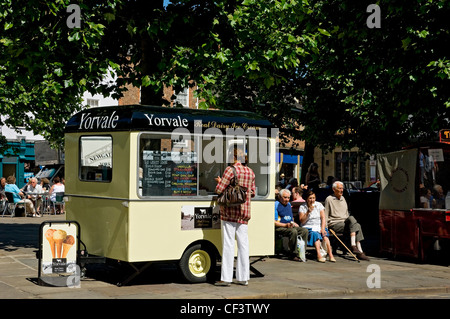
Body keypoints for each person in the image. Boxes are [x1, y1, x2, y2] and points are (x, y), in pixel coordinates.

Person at [214, 148, 255, 287]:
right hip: (244, 213)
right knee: (244, 245)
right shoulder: (250, 172)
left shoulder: (230, 170)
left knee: (228, 244)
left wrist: (220, 181)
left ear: (234, 157)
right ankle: (243, 278)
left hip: (229, 212)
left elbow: (219, 189)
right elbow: (253, 193)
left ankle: (226, 278)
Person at [324, 181, 369, 261]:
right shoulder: (329, 199)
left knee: (356, 224)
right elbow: (326, 214)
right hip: (335, 223)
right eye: (339, 188)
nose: (342, 190)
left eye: (342, 188)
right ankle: (357, 249)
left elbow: (346, 213)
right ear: (334, 189)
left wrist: (350, 223)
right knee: (355, 223)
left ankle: (357, 249)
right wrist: (325, 227)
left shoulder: (343, 198)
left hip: (345, 222)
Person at [299, 191, 335, 262]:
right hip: (308, 227)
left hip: (318, 226)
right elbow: (302, 221)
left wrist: (322, 228)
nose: (312, 200)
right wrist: (308, 212)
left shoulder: (319, 205)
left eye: (313, 198)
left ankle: (330, 255)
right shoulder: (303, 207)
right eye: (310, 198)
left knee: (325, 235)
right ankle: (319, 255)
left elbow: (323, 218)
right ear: (306, 199)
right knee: (315, 235)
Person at [275, 189, 309, 261]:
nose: (287, 199)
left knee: (304, 231)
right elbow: (274, 222)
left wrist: (293, 223)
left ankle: (302, 252)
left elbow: (290, 218)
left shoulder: (289, 205)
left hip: (290, 226)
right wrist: (285, 225)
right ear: (280, 197)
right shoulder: (276, 204)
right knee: (293, 231)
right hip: (280, 227)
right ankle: (293, 254)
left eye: (288, 197)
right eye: (285, 197)